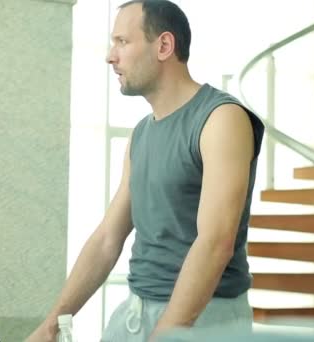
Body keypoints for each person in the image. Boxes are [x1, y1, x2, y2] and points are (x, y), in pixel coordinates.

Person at [26, 0, 265, 341]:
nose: (111, 56)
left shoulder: (221, 119)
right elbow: (108, 238)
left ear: (164, 46)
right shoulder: (141, 134)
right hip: (136, 311)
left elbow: (216, 242)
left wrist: (167, 334)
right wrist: (52, 323)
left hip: (207, 317)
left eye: (122, 42)